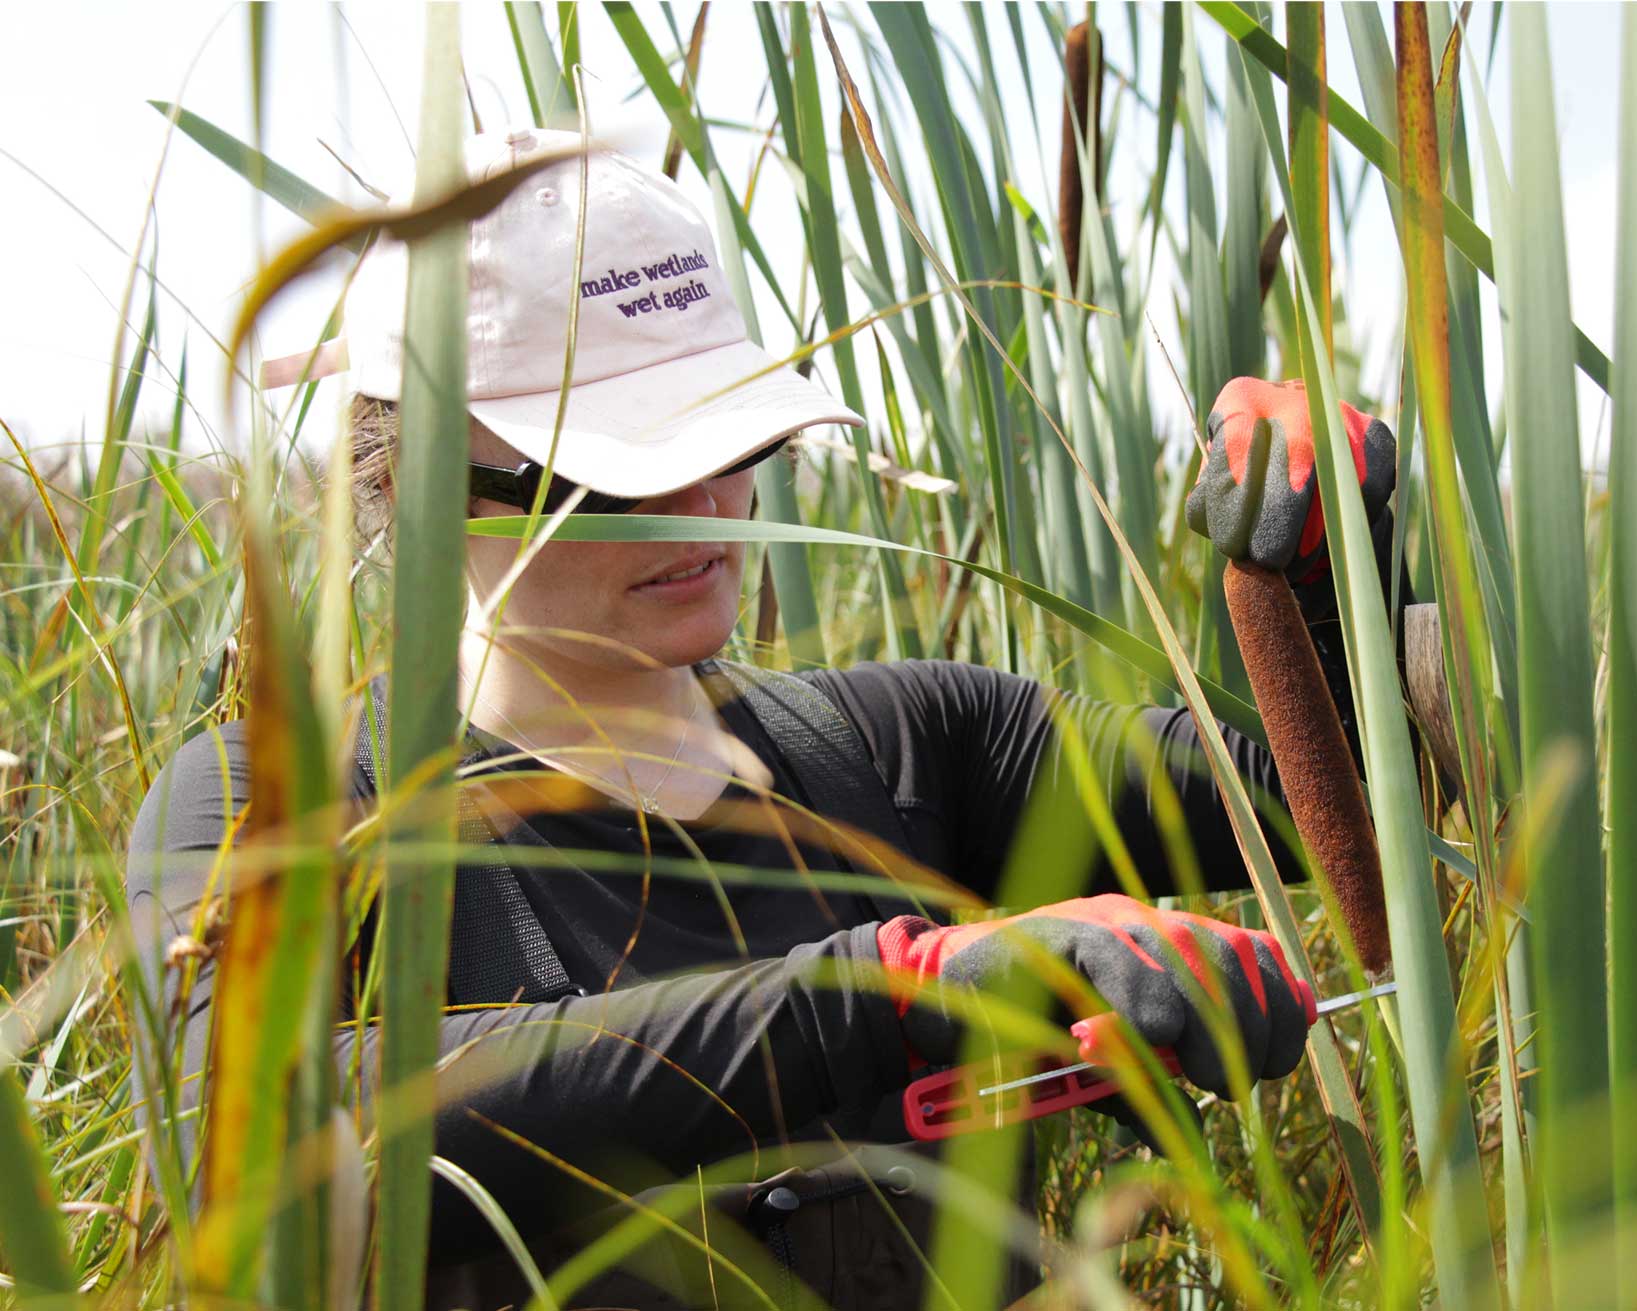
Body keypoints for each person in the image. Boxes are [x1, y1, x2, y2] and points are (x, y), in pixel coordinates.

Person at [125, 129, 1404, 1310]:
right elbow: (246, 1151)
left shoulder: (902, 751)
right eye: (608, 473)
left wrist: (1312, 571)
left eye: (721, 441)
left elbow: (1326, 807)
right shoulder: (287, 808)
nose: (700, 511)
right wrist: (904, 990)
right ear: (424, 486)